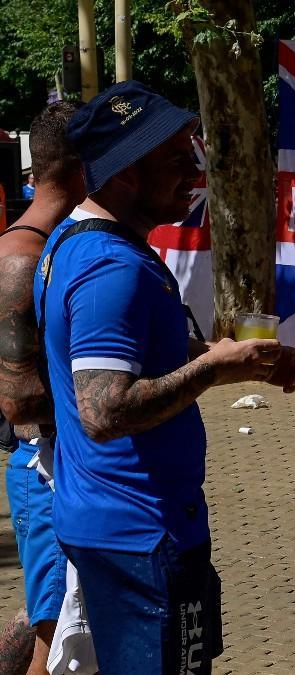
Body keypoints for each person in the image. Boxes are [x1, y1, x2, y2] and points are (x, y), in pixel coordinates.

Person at [35, 80, 295, 675]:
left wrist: (231, 357)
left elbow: (136, 353)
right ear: (127, 172)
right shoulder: (113, 269)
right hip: (140, 534)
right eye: (177, 158)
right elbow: (104, 410)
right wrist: (213, 367)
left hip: (126, 527)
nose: (195, 170)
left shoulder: (81, 243)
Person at [0, 101, 83, 675]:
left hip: (51, 465)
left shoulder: (50, 246)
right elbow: (21, 400)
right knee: (53, 638)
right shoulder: (23, 258)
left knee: (42, 617)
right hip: (43, 465)